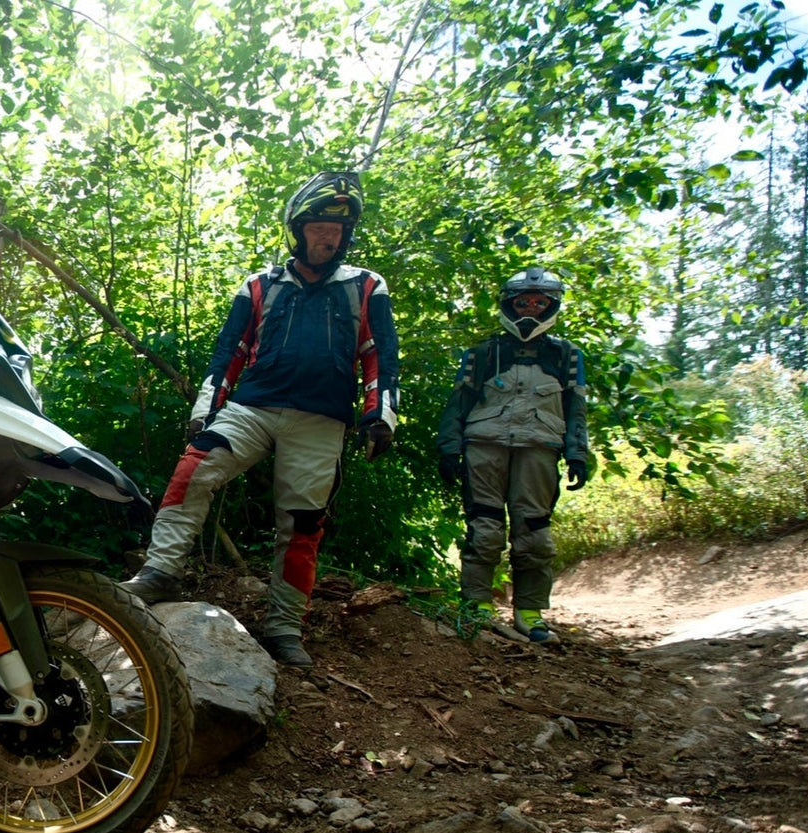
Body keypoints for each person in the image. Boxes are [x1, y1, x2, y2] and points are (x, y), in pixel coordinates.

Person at [121, 171, 400, 668]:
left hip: (321, 420)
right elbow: (230, 350)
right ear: (297, 230)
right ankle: (160, 572)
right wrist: (206, 410)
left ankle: (284, 628)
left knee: (302, 523)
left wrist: (380, 415)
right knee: (193, 470)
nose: (328, 238)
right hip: (253, 408)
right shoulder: (260, 285)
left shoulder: (366, 285)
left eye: (337, 230)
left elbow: (379, 354)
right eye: (318, 228)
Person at [435, 267, 588, 645]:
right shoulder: (484, 352)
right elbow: (458, 403)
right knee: (484, 528)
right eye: (523, 302)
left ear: (551, 306)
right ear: (509, 304)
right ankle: (476, 605)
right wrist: (449, 449)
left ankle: (530, 611)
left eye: (539, 302)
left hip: (540, 449)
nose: (531, 309)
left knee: (535, 532)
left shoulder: (566, 355)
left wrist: (578, 453)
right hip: (484, 447)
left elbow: (576, 409)